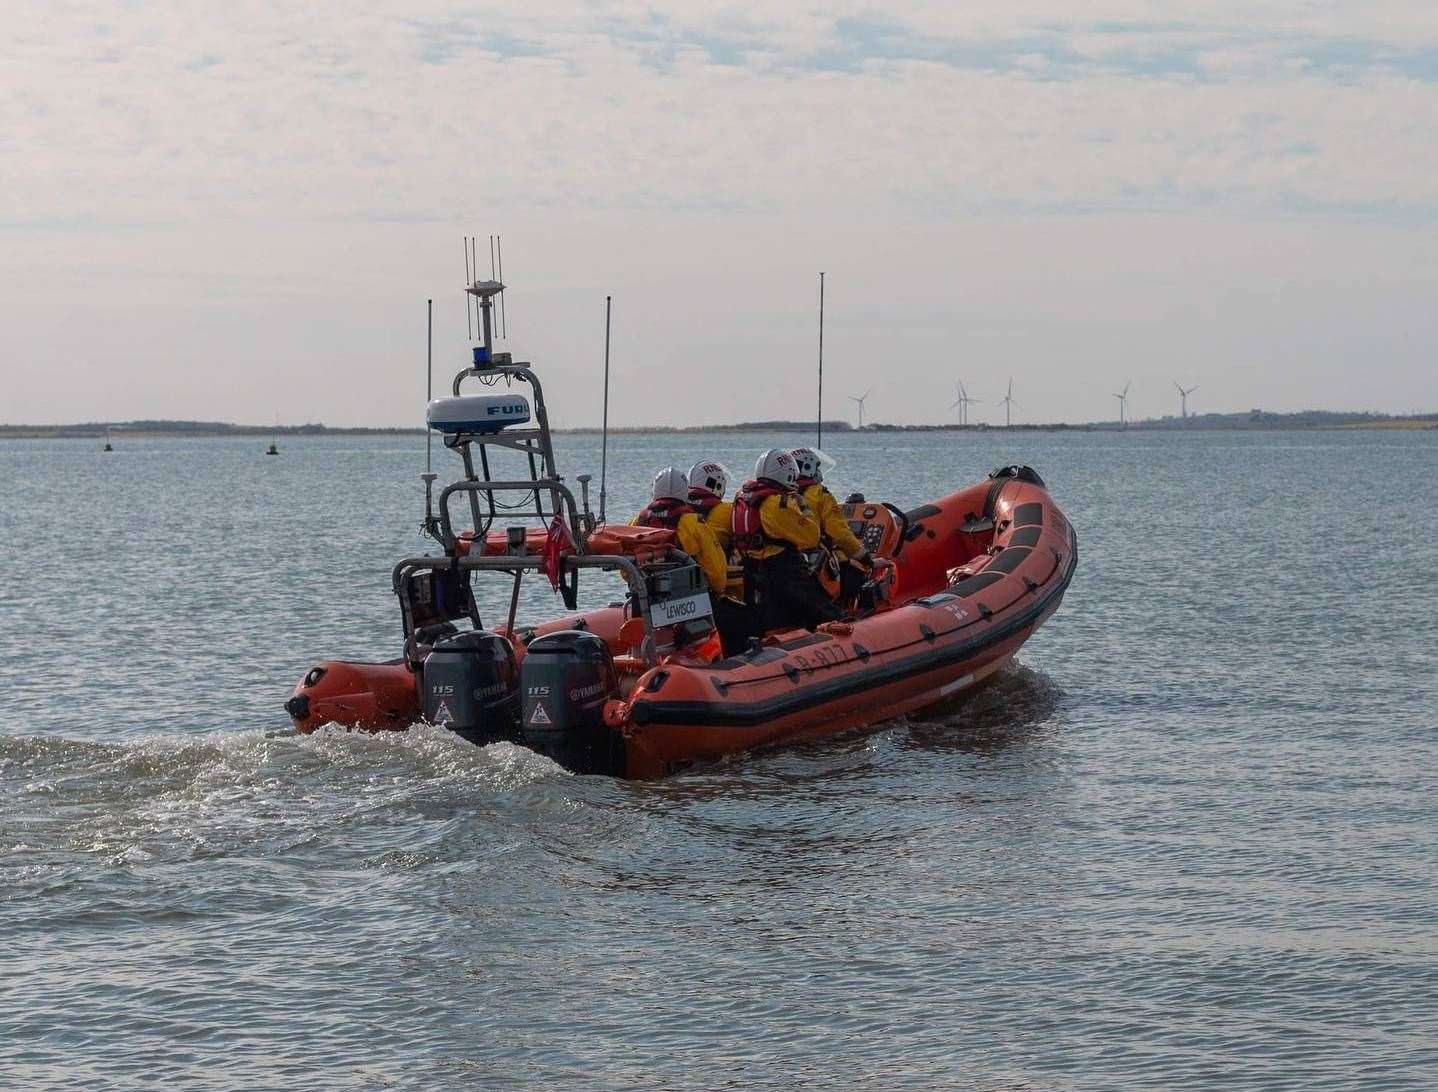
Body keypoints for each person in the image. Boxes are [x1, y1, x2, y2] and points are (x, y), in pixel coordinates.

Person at [634, 466, 754, 654]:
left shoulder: (637, 522)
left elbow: (626, 571)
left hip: (645, 603)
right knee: (742, 619)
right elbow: (716, 570)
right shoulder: (693, 522)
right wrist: (718, 592)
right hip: (688, 605)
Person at [731, 448, 843, 633]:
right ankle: (840, 627)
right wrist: (803, 507)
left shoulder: (743, 497)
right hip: (783, 567)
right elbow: (811, 537)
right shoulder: (779, 503)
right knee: (820, 607)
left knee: (774, 617)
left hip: (752, 568)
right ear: (788, 473)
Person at [791, 446, 872, 604]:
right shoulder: (820, 494)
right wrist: (864, 556)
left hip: (792, 559)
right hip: (819, 561)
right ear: (808, 468)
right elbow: (839, 533)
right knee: (859, 577)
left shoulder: (780, 497)